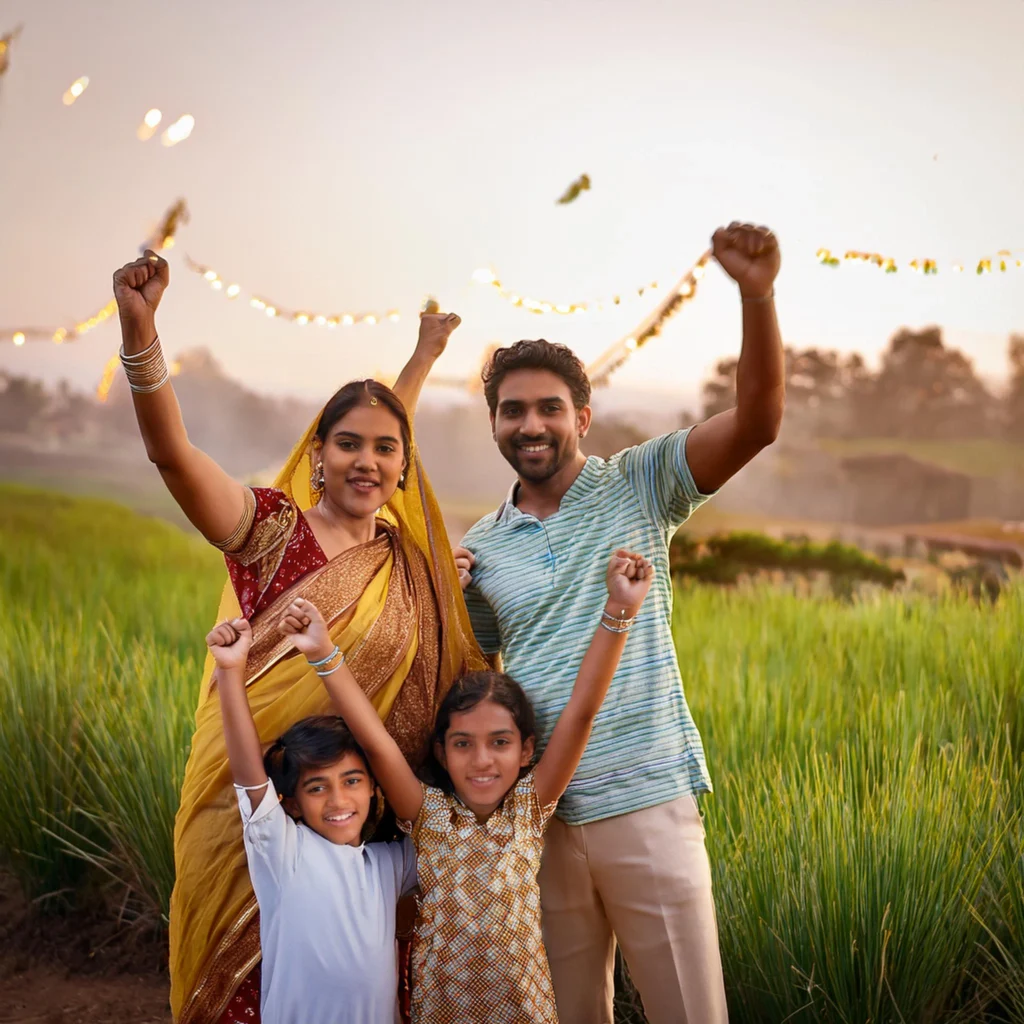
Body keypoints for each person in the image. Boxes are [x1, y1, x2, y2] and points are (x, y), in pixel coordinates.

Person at [111, 251, 486, 1024]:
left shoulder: (407, 559)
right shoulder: (275, 532)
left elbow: (388, 426)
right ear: (317, 454)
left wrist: (421, 357)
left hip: (367, 834)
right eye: (348, 443)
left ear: (405, 465)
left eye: (387, 450)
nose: (367, 461)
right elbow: (172, 459)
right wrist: (140, 329)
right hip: (252, 820)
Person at [452, 222, 784, 1023]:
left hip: (646, 803)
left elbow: (757, 421)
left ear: (584, 416)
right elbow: (472, 686)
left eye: (548, 409)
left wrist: (757, 295)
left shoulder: (641, 485)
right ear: (494, 424)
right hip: (544, 819)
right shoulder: (481, 547)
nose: (530, 425)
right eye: (511, 411)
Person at [274, 546, 654, 1023]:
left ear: (525, 751)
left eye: (499, 742)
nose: (481, 761)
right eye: (463, 744)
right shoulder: (427, 815)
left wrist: (620, 610)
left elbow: (581, 713)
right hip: (442, 1010)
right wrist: (322, 652)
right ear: (441, 752)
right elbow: (376, 744)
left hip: (524, 1009)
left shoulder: (529, 810)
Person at [205, 616, 417, 1023]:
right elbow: (249, 774)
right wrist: (230, 671)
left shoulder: (393, 863)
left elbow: (445, 830)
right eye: (317, 787)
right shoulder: (284, 851)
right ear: (293, 804)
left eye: (352, 780)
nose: (339, 799)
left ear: (375, 788)